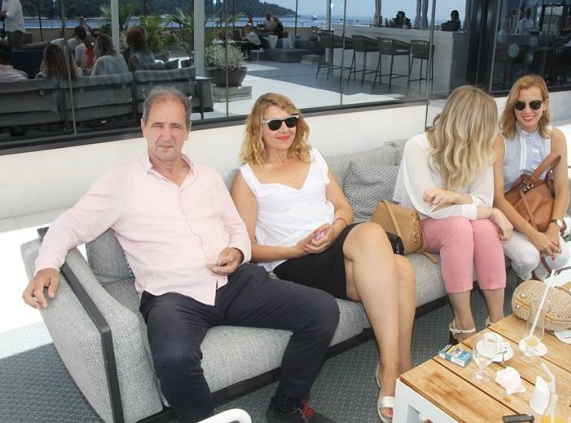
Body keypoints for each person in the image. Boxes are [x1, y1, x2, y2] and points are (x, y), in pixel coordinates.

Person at [21, 86, 339, 423]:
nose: (167, 135)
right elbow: (70, 224)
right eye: (158, 125)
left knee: (322, 310)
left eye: (175, 126)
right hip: (172, 297)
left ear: (187, 131)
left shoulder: (208, 177)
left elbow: (236, 227)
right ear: (143, 127)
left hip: (234, 282)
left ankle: (287, 405)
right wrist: (47, 265)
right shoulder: (120, 182)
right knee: (173, 358)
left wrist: (236, 250)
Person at [230, 93, 416, 423]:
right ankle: (393, 369)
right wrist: (295, 249)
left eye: (291, 120)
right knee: (391, 257)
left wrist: (334, 229)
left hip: (334, 240)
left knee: (393, 258)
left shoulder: (313, 157)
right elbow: (248, 249)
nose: (285, 129)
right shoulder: (247, 178)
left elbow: (343, 208)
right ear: (258, 128)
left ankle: (399, 366)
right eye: (275, 124)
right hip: (293, 259)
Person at [394, 85, 512, 344]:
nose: (491, 134)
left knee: (484, 228)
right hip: (417, 225)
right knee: (459, 226)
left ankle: (497, 319)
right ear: (470, 125)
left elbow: (483, 198)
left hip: (455, 220)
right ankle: (463, 323)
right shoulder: (417, 146)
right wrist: (491, 212)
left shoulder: (480, 149)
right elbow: (431, 207)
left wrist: (458, 197)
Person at [494, 74, 571, 281]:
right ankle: (526, 283)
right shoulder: (500, 141)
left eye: (534, 104)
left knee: (561, 256)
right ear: (513, 107)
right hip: (508, 214)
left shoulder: (555, 138)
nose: (527, 111)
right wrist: (534, 235)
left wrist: (554, 228)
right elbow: (497, 198)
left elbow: (563, 189)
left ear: (545, 105)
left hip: (539, 213)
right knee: (528, 258)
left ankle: (533, 283)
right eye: (520, 105)